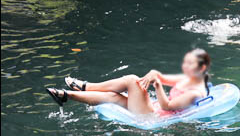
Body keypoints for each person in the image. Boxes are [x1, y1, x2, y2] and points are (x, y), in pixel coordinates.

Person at [45, 49, 212, 115]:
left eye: (190, 64)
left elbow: (167, 105)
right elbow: (160, 77)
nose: (185, 66)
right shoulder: (188, 79)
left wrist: (158, 85)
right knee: (112, 97)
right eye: (185, 62)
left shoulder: (195, 93)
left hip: (155, 117)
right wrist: (155, 74)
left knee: (132, 80)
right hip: (153, 108)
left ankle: (85, 86)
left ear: (202, 67)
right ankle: (65, 95)